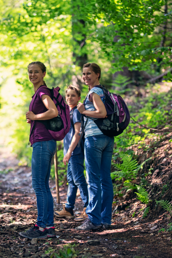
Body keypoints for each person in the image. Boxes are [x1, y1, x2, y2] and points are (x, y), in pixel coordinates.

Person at [19, 61, 58, 239]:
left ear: (43, 74)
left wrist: (35, 116)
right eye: (30, 72)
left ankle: (41, 226)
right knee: (43, 186)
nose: (32, 75)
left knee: (39, 185)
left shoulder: (42, 92)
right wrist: (35, 119)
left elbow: (53, 111)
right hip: (44, 142)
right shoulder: (39, 92)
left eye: (36, 72)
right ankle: (48, 227)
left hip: (43, 143)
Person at [76, 63, 114, 231]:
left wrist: (83, 111)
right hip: (107, 137)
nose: (86, 77)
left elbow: (102, 113)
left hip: (94, 138)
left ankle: (94, 220)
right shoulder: (104, 92)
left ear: (97, 74)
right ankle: (105, 219)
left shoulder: (93, 93)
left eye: (89, 73)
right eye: (84, 74)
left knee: (93, 180)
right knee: (105, 180)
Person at [54, 86, 88, 221]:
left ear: (79, 97)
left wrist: (69, 152)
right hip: (69, 151)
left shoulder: (76, 113)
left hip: (75, 151)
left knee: (79, 180)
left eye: (73, 96)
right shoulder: (68, 112)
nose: (70, 98)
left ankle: (88, 208)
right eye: (67, 95)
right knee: (71, 181)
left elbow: (78, 133)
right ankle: (68, 209)